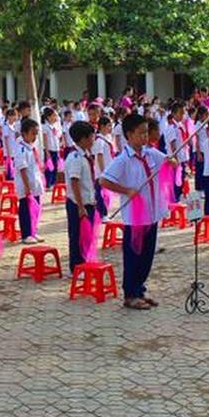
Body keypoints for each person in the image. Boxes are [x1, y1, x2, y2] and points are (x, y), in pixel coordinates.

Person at [99, 113, 169, 310]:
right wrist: (126, 190)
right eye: (141, 133)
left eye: (147, 132)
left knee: (147, 256)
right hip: (135, 217)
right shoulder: (123, 160)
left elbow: (167, 161)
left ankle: (140, 290)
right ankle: (130, 294)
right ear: (129, 135)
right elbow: (104, 180)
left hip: (152, 214)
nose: (145, 137)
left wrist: (172, 162)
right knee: (134, 256)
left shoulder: (151, 154)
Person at [65, 121, 98, 273]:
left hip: (87, 201)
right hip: (78, 204)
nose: (93, 140)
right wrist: (80, 206)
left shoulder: (86, 155)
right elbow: (74, 181)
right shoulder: (76, 157)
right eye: (91, 137)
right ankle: (76, 267)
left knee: (87, 235)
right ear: (83, 139)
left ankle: (85, 262)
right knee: (77, 236)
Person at [15, 118, 44, 244]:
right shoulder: (21, 149)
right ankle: (26, 234)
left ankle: (33, 231)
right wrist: (27, 186)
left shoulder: (31, 147)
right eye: (33, 133)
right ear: (24, 134)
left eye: (36, 134)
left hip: (35, 183)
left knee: (35, 208)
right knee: (26, 210)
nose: (35, 137)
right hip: (26, 185)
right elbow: (22, 168)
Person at [41, 107, 61, 188]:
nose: (55, 117)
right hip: (49, 149)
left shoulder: (54, 126)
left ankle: (53, 182)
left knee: (55, 167)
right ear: (48, 117)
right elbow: (45, 140)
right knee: (49, 167)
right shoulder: (45, 127)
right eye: (53, 116)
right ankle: (48, 183)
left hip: (55, 148)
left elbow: (57, 137)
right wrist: (47, 151)